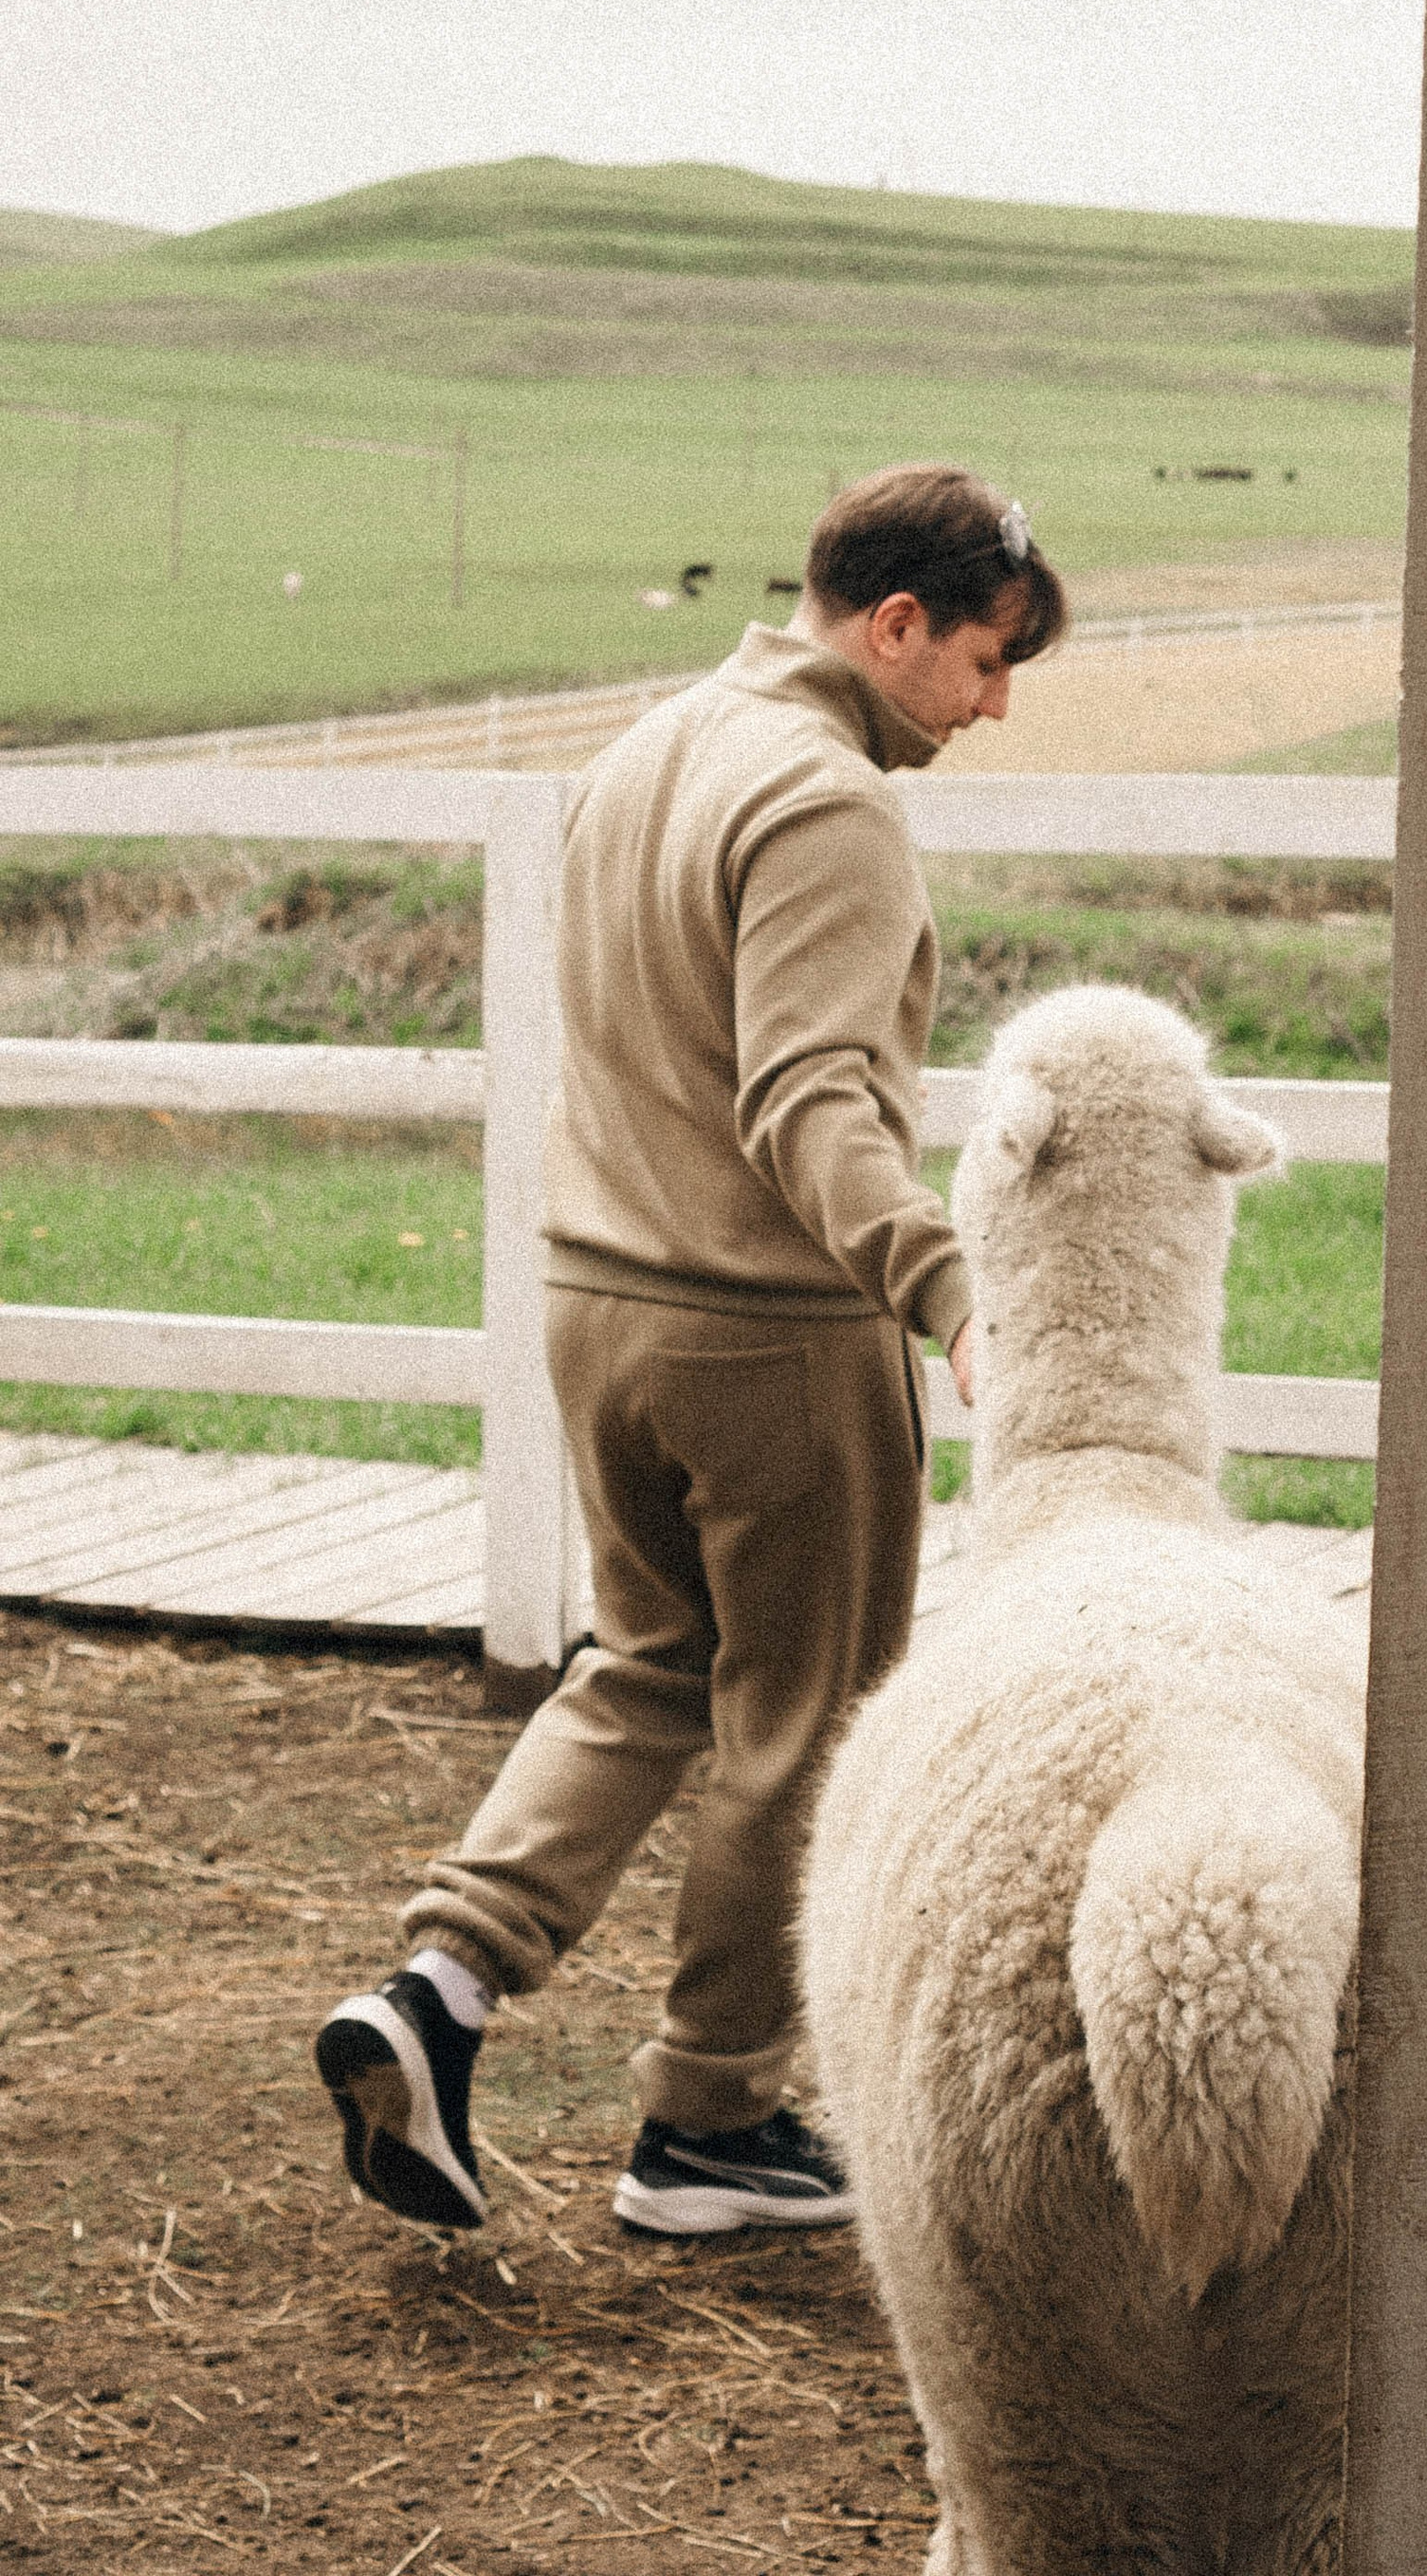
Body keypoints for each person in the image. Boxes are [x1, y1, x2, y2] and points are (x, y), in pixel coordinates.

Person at [315, 464, 1066, 2236]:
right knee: (801, 1724)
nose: (995, 704)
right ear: (895, 626)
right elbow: (810, 1099)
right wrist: (954, 1294)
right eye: (983, 659)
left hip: (601, 1301)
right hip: (768, 1333)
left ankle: (440, 1989)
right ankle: (710, 2129)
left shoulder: (652, 747)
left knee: (649, 1668)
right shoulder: (830, 805)